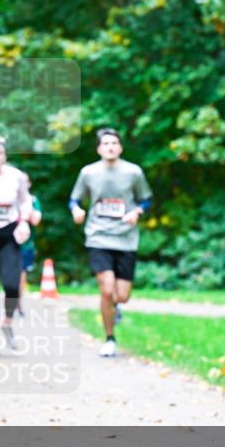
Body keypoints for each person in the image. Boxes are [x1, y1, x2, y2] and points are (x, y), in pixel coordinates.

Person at [69, 128, 153, 358]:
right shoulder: (88, 173)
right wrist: (76, 210)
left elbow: (146, 199)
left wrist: (137, 212)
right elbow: (74, 199)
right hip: (98, 236)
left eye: (114, 143)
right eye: (105, 143)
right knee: (107, 290)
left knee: (122, 296)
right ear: (98, 148)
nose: (110, 147)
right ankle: (109, 338)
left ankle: (116, 308)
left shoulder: (133, 172)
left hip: (126, 238)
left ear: (120, 147)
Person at [0, 135, 34, 355]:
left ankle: (8, 321)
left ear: (5, 155)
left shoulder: (16, 176)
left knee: (12, 285)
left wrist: (24, 222)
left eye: (0, 152)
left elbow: (25, 200)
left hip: (9, 233)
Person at [18, 175, 43, 313]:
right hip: (6, 243)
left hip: (26, 245)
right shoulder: (7, 197)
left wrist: (28, 206)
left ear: (29, 184)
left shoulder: (33, 200)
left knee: (21, 275)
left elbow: (36, 221)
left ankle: (19, 304)